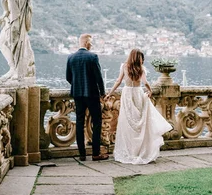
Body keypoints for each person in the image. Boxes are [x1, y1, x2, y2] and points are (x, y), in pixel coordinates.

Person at [106, 48, 172, 164]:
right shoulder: (141, 69)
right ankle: (139, 151)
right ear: (138, 58)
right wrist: (150, 91)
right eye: (142, 58)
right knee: (140, 123)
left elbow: (118, 81)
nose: (143, 60)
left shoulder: (124, 66)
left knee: (127, 123)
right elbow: (145, 82)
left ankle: (130, 151)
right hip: (137, 93)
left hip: (127, 94)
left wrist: (110, 93)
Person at [66, 34, 109, 162]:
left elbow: (68, 77)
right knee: (96, 122)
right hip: (92, 94)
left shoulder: (71, 58)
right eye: (90, 42)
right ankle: (95, 153)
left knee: (79, 122)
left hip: (78, 95)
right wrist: (102, 93)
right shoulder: (93, 57)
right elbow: (98, 77)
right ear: (86, 43)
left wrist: (77, 86)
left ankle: (82, 154)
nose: (91, 45)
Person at [0, 0, 35, 81]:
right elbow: (29, 9)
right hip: (21, 22)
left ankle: (13, 68)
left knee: (2, 43)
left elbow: (5, 1)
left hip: (12, 21)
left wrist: (4, 14)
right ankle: (15, 69)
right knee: (17, 46)